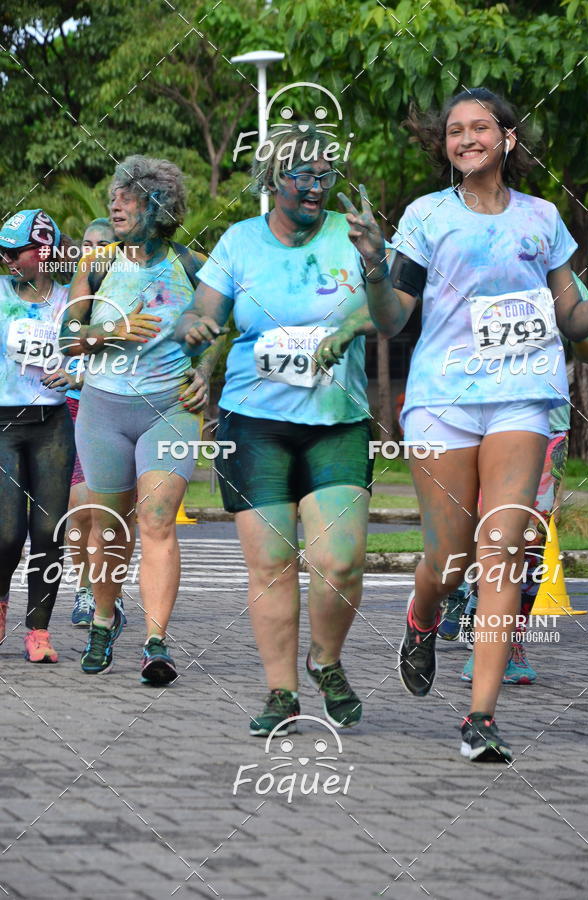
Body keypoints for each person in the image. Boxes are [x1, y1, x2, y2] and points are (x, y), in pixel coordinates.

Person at [353, 87, 588, 761]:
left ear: (507, 140)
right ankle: (423, 617)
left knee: (502, 551)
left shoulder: (543, 219)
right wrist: (376, 267)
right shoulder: (427, 216)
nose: (465, 138)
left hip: (524, 395)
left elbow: (574, 318)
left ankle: (480, 718)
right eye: (455, 130)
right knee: (448, 558)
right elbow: (392, 316)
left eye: (479, 128)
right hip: (442, 399)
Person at [175, 123, 380, 737]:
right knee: (270, 562)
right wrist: (194, 331)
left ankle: (326, 660)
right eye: (302, 176)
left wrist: (374, 270)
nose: (316, 188)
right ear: (273, 180)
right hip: (253, 419)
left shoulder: (356, 236)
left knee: (339, 560)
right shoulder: (239, 242)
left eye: (325, 175)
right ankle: (280, 692)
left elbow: (392, 308)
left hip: (336, 419)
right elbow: (203, 312)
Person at [60, 155, 217, 684]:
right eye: (114, 194)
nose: (116, 202)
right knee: (110, 528)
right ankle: (105, 616)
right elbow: (66, 337)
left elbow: (220, 325)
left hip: (170, 410)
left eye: (130, 196)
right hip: (102, 408)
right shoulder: (99, 263)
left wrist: (206, 372)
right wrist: (113, 332)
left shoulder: (193, 266)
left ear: (160, 207)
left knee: (155, 520)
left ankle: (156, 643)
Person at [458, 271, 588, 683]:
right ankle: (475, 619)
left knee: (532, 539)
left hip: (545, 420)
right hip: (476, 418)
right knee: (490, 533)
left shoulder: (557, 272)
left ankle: (511, 639)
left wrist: (565, 322)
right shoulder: (460, 264)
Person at [0, 209, 75, 662]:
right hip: (2, 425)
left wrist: (76, 369)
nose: (8, 259)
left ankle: (39, 631)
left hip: (51, 425)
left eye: (16, 251)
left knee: (49, 531)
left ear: (43, 252)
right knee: (6, 533)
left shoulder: (71, 300)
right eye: (2, 252)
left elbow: (89, 349)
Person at [55, 218, 133, 628]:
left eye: (101, 244)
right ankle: (84, 590)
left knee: (113, 513)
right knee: (78, 509)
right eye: (86, 243)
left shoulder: (130, 291)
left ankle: (108, 593)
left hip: (118, 409)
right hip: (72, 410)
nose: (92, 250)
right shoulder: (72, 293)